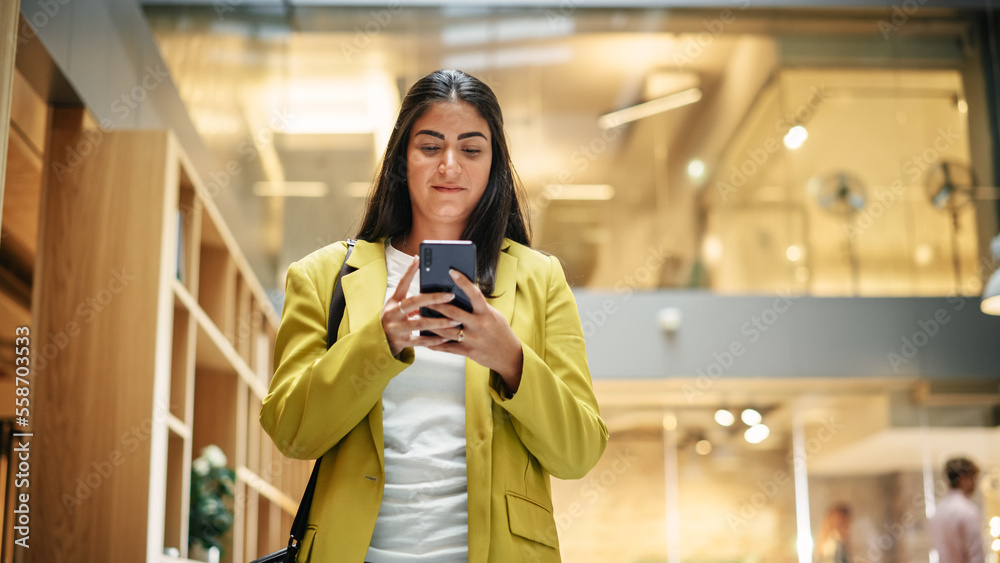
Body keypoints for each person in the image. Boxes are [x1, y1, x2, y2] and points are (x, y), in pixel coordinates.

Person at [260, 69, 608, 562]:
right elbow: (292, 431)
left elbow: (578, 452)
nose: (450, 165)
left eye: (471, 149)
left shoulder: (540, 278)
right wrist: (379, 343)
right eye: (430, 146)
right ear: (402, 158)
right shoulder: (321, 277)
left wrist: (511, 360)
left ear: (494, 164)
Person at [929, 457, 985, 563]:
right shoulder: (968, 511)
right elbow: (976, 554)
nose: (975, 484)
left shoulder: (938, 511)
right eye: (973, 478)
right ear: (962, 480)